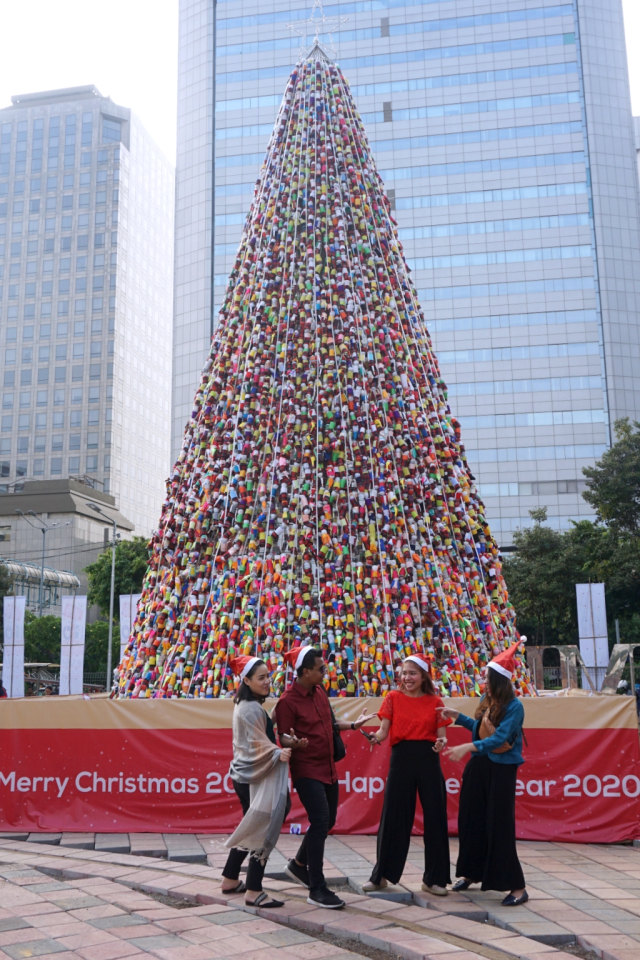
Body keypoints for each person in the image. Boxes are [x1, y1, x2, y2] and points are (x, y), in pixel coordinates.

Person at [274, 645, 372, 910]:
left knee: (327, 821)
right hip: (306, 769)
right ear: (304, 671)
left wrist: (353, 726)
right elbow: (281, 735)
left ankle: (298, 865)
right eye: (320, 669)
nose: (325, 673)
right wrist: (292, 741)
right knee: (319, 822)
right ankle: (317, 888)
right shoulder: (286, 701)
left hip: (328, 767)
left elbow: (330, 723)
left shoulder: (319, 692)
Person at [442, 640, 528, 906]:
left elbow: (500, 738)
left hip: (502, 769)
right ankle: (471, 873)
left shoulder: (515, 707)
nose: (484, 683)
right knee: (470, 819)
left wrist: (469, 746)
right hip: (479, 765)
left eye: (488, 679)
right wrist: (458, 717)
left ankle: (517, 887)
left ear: (500, 681)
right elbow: (479, 729)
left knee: (498, 824)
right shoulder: (486, 700)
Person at [362, 655, 452, 895]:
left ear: (424, 676)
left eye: (412, 673)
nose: (407, 678)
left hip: (428, 760)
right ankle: (381, 876)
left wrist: (440, 744)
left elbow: (442, 736)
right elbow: (383, 732)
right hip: (401, 760)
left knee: (435, 817)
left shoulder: (435, 701)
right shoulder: (392, 698)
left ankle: (434, 879)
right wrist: (374, 738)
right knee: (393, 816)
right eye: (403, 673)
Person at [221, 655, 293, 908]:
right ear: (247, 680)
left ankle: (231, 878)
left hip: (245, 775)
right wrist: (278, 752)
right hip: (254, 776)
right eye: (261, 678)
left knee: (251, 826)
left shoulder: (246, 704)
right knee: (262, 828)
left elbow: (257, 739)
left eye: (268, 677)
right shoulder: (250, 708)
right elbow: (257, 746)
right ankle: (253, 890)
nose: (267, 682)